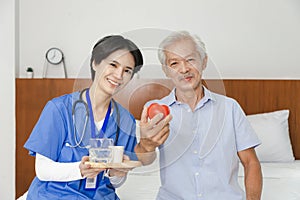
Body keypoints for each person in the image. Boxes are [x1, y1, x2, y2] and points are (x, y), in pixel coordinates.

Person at [24, 35, 171, 200]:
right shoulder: (59, 109)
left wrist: (117, 174)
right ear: (95, 63)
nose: (118, 75)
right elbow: (42, 170)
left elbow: (115, 182)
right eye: (113, 65)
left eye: (127, 70)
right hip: (54, 195)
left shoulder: (125, 120)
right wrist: (79, 169)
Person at [147, 31, 262, 200]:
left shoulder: (230, 108)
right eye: (174, 63)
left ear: (204, 62)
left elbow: (251, 163)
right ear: (166, 70)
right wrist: (146, 143)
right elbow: (145, 158)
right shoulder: (155, 110)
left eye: (190, 59)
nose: (184, 69)